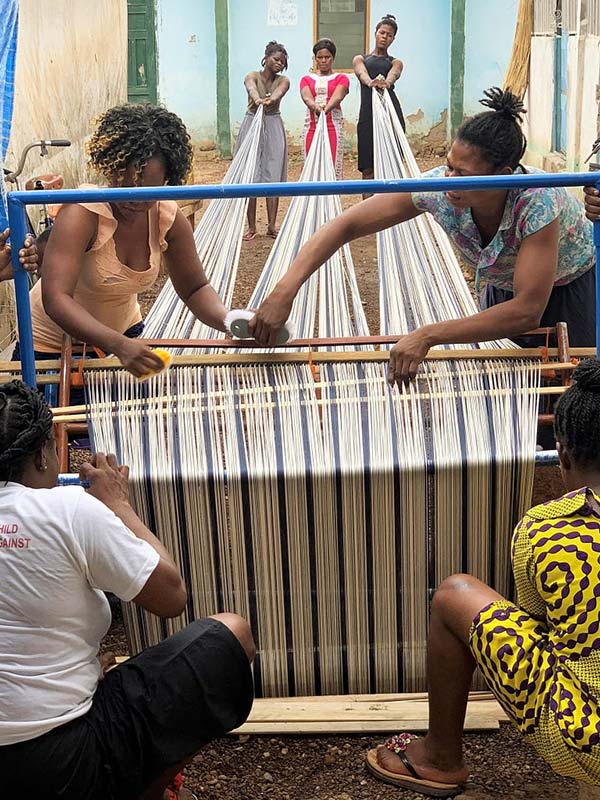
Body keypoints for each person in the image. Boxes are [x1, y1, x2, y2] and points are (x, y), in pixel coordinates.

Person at [0, 380, 255, 800]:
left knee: (96, 666)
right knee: (230, 635)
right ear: (44, 453)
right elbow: (171, 596)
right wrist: (118, 504)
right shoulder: (68, 510)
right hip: (64, 768)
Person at [365, 356, 600, 796]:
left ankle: (439, 759)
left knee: (454, 594)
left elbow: (539, 628)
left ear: (562, 455)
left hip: (588, 740)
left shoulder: (547, 526)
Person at [249, 89, 596, 383]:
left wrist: (427, 334)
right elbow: (345, 225)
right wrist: (285, 290)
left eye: (463, 173)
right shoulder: (440, 187)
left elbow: (526, 310)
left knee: (570, 384)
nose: (448, 178)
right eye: (448, 165)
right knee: (510, 383)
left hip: (567, 291)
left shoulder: (537, 202)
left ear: (503, 176)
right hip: (503, 288)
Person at [14, 104, 229, 379]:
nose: (132, 199)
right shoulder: (83, 212)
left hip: (124, 335)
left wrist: (230, 321)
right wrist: (119, 346)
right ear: (109, 168)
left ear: (167, 180)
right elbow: (56, 299)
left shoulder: (168, 217)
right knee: (57, 422)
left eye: (146, 191)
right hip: (50, 348)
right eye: (122, 183)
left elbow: (195, 288)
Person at [236, 40, 290, 241]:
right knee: (251, 173)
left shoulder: (284, 80)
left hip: (273, 124)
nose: (279, 64)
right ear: (266, 58)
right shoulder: (252, 76)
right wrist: (257, 99)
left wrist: (270, 100)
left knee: (272, 173)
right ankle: (251, 227)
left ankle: (272, 225)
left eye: (282, 62)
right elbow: (250, 86)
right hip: (252, 123)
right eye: (275, 59)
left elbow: (278, 93)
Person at [353, 14, 405, 187]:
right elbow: (361, 73)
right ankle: (368, 210)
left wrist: (386, 83)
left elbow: (394, 74)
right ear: (375, 33)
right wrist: (371, 83)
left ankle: (391, 209)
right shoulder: (361, 59)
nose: (385, 37)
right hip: (368, 115)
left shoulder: (395, 61)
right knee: (368, 168)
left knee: (393, 165)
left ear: (393, 39)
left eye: (389, 35)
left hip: (390, 115)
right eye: (382, 32)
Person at [300, 38, 349, 179]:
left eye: (327, 57)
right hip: (311, 127)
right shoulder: (306, 79)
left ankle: (332, 200)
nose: (323, 60)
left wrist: (326, 108)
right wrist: (315, 107)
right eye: (320, 57)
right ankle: (311, 200)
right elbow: (306, 97)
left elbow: (338, 95)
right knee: (310, 164)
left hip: (333, 126)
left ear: (333, 58)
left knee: (332, 165)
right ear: (315, 59)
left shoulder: (341, 78)